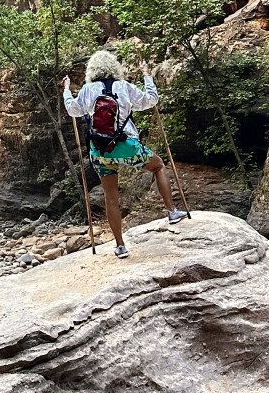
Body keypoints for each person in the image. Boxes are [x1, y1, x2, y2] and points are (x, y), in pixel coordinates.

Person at [63, 50, 185, 258]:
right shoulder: (124, 87)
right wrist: (147, 75)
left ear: (92, 70)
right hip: (126, 145)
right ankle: (172, 212)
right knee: (158, 166)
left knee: (111, 198)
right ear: (114, 67)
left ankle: (120, 246)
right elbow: (151, 100)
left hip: (100, 151)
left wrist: (66, 89)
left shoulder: (87, 90)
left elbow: (72, 110)